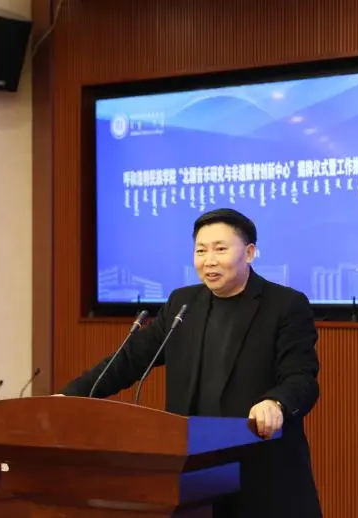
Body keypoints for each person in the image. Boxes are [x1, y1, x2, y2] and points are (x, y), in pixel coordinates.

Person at [59, 208, 322, 518]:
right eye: (201, 250)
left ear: (249, 253)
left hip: (261, 475)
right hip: (194, 477)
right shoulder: (182, 304)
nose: (209, 260)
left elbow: (301, 377)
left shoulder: (285, 305)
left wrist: (275, 402)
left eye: (220, 249)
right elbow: (129, 360)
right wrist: (70, 397)